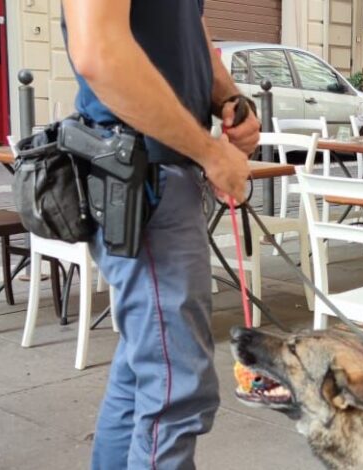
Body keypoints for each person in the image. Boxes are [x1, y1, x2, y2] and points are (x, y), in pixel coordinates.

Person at [62, 0, 259, 468]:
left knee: (143, 375)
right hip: (142, 175)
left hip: (160, 176)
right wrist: (211, 152)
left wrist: (230, 99)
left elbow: (192, 35)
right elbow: (98, 53)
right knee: (176, 389)